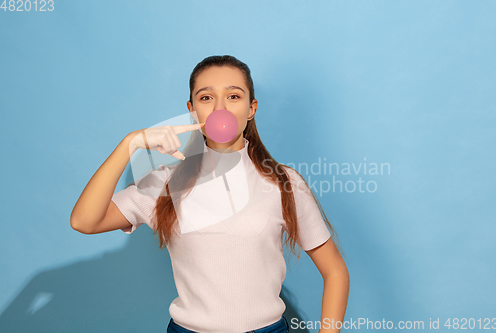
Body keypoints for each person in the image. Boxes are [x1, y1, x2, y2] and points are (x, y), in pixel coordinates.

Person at [71, 55, 350, 333]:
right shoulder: (164, 183)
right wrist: (129, 143)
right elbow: (84, 221)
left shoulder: (285, 182)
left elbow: (335, 272)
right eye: (206, 98)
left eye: (233, 96)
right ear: (192, 110)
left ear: (251, 108)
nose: (220, 109)